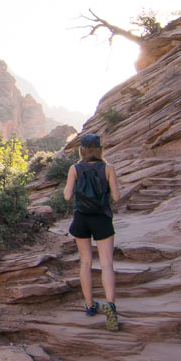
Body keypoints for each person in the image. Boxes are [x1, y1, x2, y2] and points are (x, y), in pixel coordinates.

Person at [63, 133, 121, 331]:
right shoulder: (109, 168)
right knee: (106, 263)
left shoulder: (75, 168)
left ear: (82, 150)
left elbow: (67, 195)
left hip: (82, 217)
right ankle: (110, 305)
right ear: (99, 149)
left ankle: (89, 306)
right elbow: (116, 195)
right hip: (102, 217)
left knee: (85, 262)